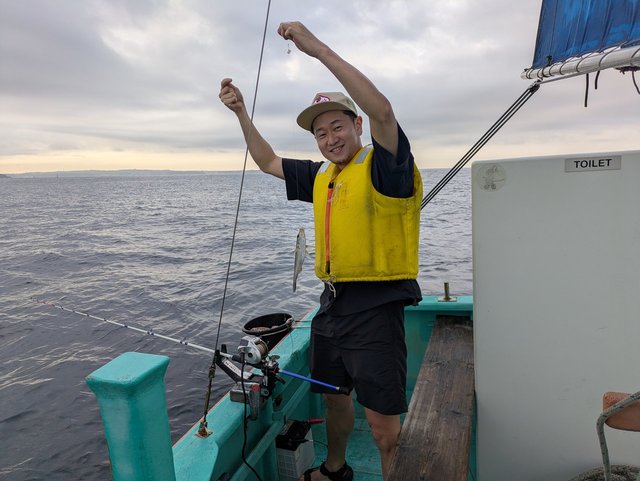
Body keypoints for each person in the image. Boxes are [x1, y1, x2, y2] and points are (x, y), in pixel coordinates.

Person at [219, 21, 422, 481]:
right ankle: (334, 470)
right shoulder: (321, 176)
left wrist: (316, 50)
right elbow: (268, 161)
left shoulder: (386, 166)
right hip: (330, 307)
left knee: (384, 429)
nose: (330, 139)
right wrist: (241, 113)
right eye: (320, 133)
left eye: (337, 126)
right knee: (333, 397)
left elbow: (384, 111)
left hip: (375, 310)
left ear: (357, 125)